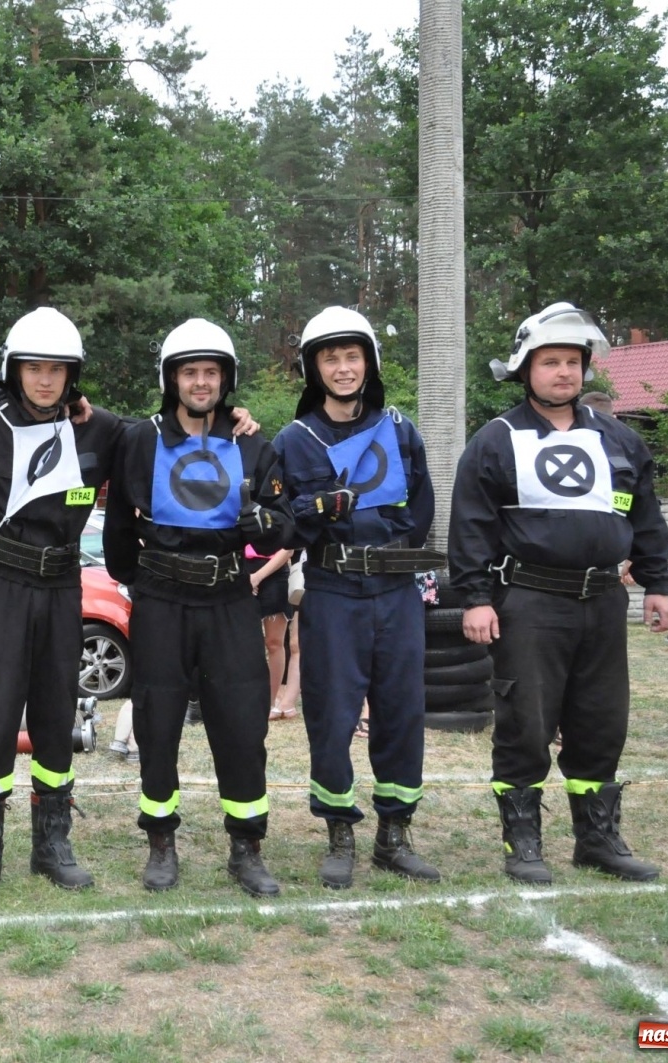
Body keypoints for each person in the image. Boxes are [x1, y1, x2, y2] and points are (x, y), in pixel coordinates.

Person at [450, 301, 668, 884]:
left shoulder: (620, 440)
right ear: (526, 369)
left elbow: (645, 515)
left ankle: (597, 839)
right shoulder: (495, 441)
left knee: (601, 721)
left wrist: (657, 582)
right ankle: (522, 842)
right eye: (550, 362)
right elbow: (469, 525)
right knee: (526, 721)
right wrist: (473, 598)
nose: (564, 373)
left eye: (573, 362)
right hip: (528, 600)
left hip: (602, 601)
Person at [105, 318, 293, 897]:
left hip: (230, 598)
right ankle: (161, 842)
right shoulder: (140, 439)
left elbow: (286, 525)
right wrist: (140, 580)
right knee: (156, 725)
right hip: (161, 599)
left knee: (241, 725)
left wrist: (260, 522)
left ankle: (247, 846)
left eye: (211, 372)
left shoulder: (254, 443)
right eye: (190, 372)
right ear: (172, 379)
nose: (201, 382)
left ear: (226, 378)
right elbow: (117, 533)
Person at [0, 307, 126, 897]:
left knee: (56, 717)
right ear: (14, 369)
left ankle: (52, 842)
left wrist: (233, 414)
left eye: (58, 369)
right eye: (34, 368)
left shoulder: (96, 428)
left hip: (63, 588)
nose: (45, 380)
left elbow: (166, 431)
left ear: (72, 374)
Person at [272, 306, 443, 891]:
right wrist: (319, 512)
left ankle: (394, 834)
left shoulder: (399, 429)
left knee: (400, 714)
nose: (343, 368)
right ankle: (339, 833)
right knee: (331, 715)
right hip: (331, 592)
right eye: (329, 357)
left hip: (395, 592)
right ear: (312, 368)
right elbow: (280, 521)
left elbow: (420, 510)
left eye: (352, 356)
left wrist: (388, 554)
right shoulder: (295, 441)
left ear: (368, 363)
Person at [249, 546, 298, 720]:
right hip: (241, 569)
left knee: (274, 642)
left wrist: (257, 577)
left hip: (275, 571)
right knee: (244, 641)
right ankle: (245, 699)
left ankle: (269, 702)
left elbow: (288, 549)